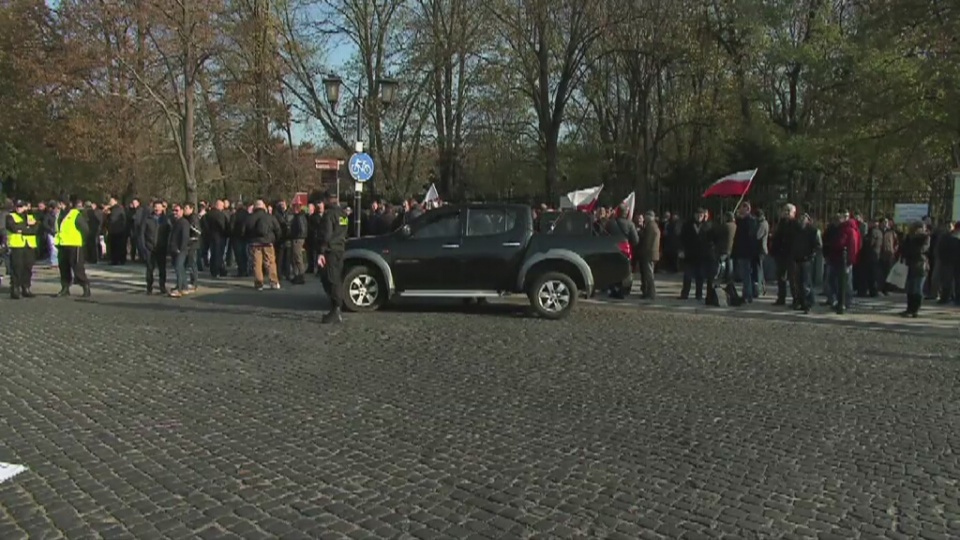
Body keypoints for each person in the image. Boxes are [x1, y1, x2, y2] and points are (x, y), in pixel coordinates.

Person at [316, 190, 348, 324]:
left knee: (331, 279)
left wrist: (321, 252)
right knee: (336, 278)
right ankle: (336, 308)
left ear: (327, 200)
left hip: (331, 250)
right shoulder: (343, 214)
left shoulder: (329, 215)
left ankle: (335, 308)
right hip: (340, 248)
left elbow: (327, 234)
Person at [55, 196, 91, 297]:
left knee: (77, 267)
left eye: (61, 204)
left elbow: (85, 229)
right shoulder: (59, 215)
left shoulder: (75, 214)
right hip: (62, 245)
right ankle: (65, 287)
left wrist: (81, 240)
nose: (59, 206)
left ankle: (85, 286)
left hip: (74, 245)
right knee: (64, 267)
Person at [5, 200, 39, 299]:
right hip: (17, 245)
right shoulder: (11, 216)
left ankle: (26, 287)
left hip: (29, 245)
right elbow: (13, 228)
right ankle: (15, 288)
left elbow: (36, 229)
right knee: (17, 267)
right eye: (18, 206)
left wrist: (23, 229)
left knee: (28, 268)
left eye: (21, 206)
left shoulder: (31, 217)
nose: (19, 208)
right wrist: (28, 228)